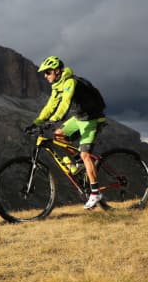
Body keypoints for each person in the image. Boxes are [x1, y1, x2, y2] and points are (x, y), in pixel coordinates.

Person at [26, 56, 107, 210]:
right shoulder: (57, 85)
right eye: (44, 73)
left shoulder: (70, 81)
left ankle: (95, 193)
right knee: (59, 135)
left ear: (57, 71)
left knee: (85, 155)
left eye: (48, 72)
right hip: (79, 118)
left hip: (92, 118)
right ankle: (78, 163)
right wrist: (36, 122)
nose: (45, 75)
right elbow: (50, 105)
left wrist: (53, 119)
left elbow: (65, 103)